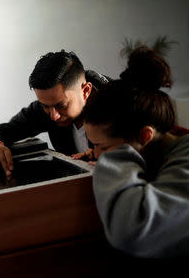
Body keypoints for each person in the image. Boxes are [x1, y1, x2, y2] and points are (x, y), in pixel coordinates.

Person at [80, 46, 189, 257]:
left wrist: (113, 162)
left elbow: (130, 230)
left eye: (103, 147)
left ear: (144, 136)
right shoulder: (157, 155)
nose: (96, 155)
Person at [0, 50, 111, 177]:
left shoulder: (124, 106)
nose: (53, 116)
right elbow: (5, 130)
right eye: (45, 106)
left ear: (86, 91)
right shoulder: (49, 106)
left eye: (61, 105)